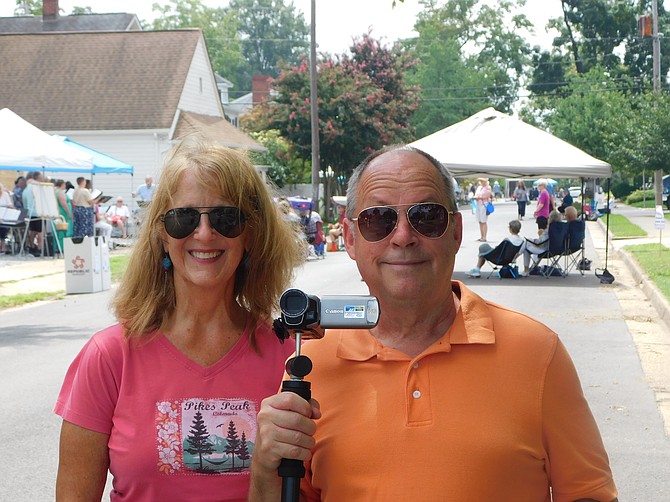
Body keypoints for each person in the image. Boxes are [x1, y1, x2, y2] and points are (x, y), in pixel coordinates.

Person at [248, 145, 618, 501]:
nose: (404, 237)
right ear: (350, 238)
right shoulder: (310, 367)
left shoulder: (537, 352)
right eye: (379, 220)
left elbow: (587, 494)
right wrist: (266, 465)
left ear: (456, 231)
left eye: (426, 217)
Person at [54, 138, 304, 500]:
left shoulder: (290, 356)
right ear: (161, 234)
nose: (204, 233)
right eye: (183, 218)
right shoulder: (109, 357)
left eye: (225, 218)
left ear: (250, 233)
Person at [520, 209, 564, 276]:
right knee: (529, 243)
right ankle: (533, 266)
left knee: (526, 245)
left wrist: (536, 238)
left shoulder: (549, 230)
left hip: (545, 250)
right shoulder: (560, 229)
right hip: (556, 249)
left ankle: (526, 270)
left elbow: (541, 242)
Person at [54, 179, 73, 253]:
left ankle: (58, 246)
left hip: (59, 212)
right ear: (62, 185)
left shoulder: (55, 192)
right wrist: (69, 213)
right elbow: (64, 204)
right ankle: (63, 247)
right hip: (63, 213)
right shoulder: (61, 193)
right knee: (65, 229)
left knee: (60, 229)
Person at [473, 177, 492, 241]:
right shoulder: (479, 188)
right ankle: (481, 236)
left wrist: (478, 197)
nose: (481, 182)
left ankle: (484, 237)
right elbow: (476, 195)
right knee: (480, 221)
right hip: (478, 204)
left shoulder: (488, 188)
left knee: (483, 221)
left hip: (484, 205)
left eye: (482, 181)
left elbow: (486, 196)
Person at [0, 182, 14, 253]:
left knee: (3, 229)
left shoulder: (5, 194)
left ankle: (3, 247)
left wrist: (11, 207)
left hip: (4, 217)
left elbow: (10, 204)